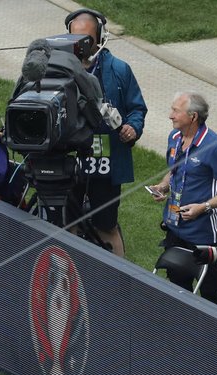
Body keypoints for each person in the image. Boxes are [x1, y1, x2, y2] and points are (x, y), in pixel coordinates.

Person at [65, 8, 147, 258]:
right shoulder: (59, 68)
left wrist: (133, 127)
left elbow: (137, 108)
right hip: (70, 158)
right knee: (70, 223)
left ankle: (116, 280)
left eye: (86, 40)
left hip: (106, 162)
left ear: (99, 38)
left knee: (106, 225)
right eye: (74, 39)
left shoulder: (119, 70)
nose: (80, 46)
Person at [148, 92, 217, 307]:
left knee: (210, 292)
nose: (170, 116)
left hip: (203, 233)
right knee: (176, 286)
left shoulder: (215, 147)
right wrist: (163, 186)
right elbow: (174, 171)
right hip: (174, 226)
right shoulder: (175, 138)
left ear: (193, 117)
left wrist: (204, 206)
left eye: (175, 111)